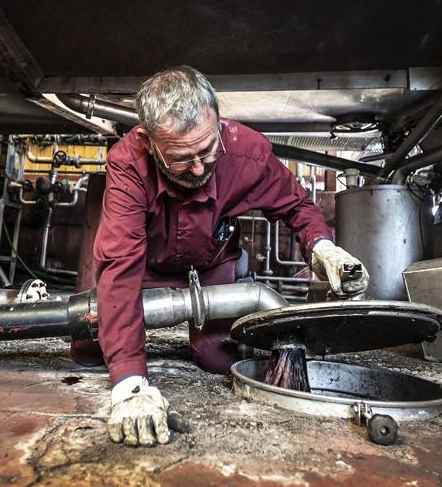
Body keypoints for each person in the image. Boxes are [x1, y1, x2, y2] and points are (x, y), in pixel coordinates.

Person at [92, 66, 369, 447]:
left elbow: (296, 206)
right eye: (179, 158)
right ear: (147, 140)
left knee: (216, 359)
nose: (198, 168)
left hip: (211, 268)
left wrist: (322, 247)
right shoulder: (127, 163)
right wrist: (128, 385)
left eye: (206, 151)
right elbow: (119, 266)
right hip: (147, 269)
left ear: (218, 122)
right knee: (91, 347)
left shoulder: (246, 151)